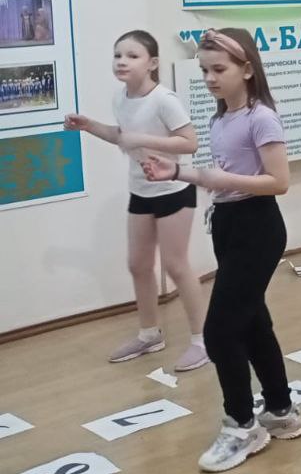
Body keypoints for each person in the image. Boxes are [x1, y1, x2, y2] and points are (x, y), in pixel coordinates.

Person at [141, 29, 301, 472]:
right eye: (204, 70)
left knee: (219, 332)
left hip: (258, 227)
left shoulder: (261, 118)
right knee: (252, 322)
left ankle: (241, 425)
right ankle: (281, 410)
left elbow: (279, 182)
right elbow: (218, 176)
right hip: (229, 225)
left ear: (247, 69)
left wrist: (222, 180)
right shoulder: (220, 120)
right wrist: (176, 172)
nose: (210, 78)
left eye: (219, 69)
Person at [65, 30, 207, 372]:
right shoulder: (121, 98)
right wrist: (89, 126)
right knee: (138, 264)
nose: (122, 61)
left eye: (132, 55)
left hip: (173, 190)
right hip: (141, 190)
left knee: (176, 266)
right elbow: (122, 136)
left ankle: (203, 340)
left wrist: (142, 139)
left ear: (152, 63)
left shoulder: (164, 100)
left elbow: (189, 142)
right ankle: (149, 334)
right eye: (118, 55)